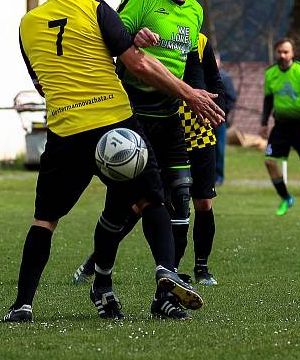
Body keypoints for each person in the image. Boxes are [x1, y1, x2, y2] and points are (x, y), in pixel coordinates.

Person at [3, 0, 223, 323]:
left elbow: (40, 84)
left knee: (45, 220)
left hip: (65, 131)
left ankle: (23, 305)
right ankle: (164, 272)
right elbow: (135, 63)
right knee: (153, 199)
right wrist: (190, 93)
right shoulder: (97, 8)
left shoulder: (27, 23)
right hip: (115, 123)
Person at [73, 33, 226, 287]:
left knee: (203, 202)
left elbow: (215, 82)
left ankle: (201, 268)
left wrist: (214, 109)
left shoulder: (200, 42)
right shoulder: (158, 44)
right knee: (139, 206)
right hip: (165, 133)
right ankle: (95, 261)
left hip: (199, 136)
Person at [259, 38, 300, 218]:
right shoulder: (270, 73)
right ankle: (286, 198)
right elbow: (268, 100)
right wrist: (264, 123)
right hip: (280, 126)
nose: (282, 55)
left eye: (286, 52)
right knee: (269, 161)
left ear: (292, 53)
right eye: (279, 51)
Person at [215, 58, 237, 184]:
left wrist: (222, 113)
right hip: (202, 119)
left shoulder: (224, 77)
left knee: (219, 148)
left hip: (219, 120)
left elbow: (231, 98)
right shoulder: (201, 76)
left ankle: (219, 177)